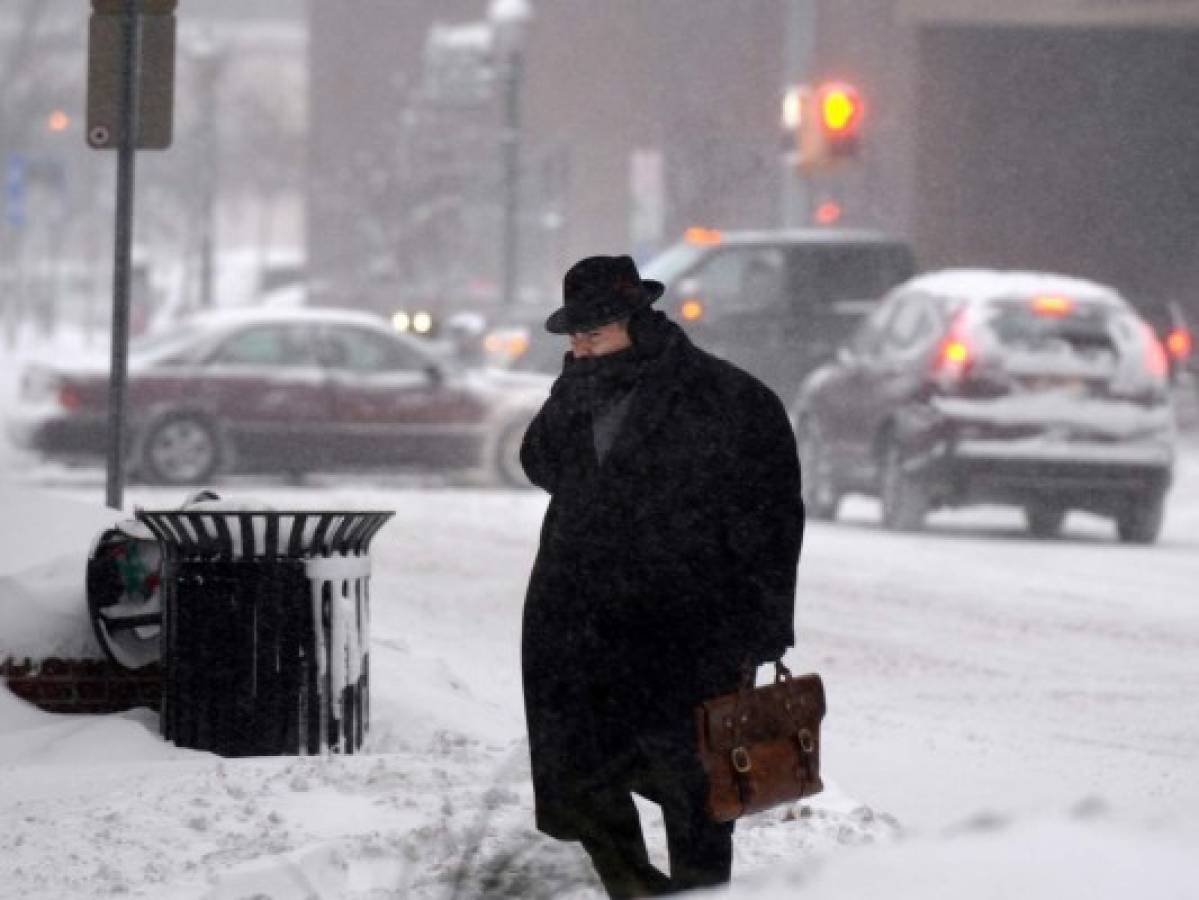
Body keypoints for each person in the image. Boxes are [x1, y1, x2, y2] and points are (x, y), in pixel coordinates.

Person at [520, 254, 805, 897]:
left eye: (594, 330)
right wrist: (571, 390)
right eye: (574, 334)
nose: (581, 344)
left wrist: (764, 625)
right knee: (585, 777)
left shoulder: (729, 398)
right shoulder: (581, 389)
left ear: (636, 320)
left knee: (696, 789)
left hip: (689, 629)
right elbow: (539, 464)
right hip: (581, 622)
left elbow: (774, 517)